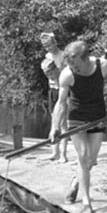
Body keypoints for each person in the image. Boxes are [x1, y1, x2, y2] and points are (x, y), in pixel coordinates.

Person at [49, 40, 107, 213]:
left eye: (77, 66)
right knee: (82, 156)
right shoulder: (67, 74)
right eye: (72, 66)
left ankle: (76, 181)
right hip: (77, 116)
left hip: (97, 114)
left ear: (85, 57)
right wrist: (55, 127)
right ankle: (86, 202)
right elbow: (60, 103)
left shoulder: (103, 66)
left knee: (91, 160)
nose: (75, 69)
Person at [40, 32, 68, 162]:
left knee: (62, 122)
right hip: (52, 89)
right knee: (53, 120)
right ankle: (54, 152)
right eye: (46, 47)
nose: (48, 49)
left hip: (62, 89)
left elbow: (68, 72)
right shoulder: (47, 56)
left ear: (55, 42)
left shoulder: (62, 55)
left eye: (50, 45)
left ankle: (63, 154)